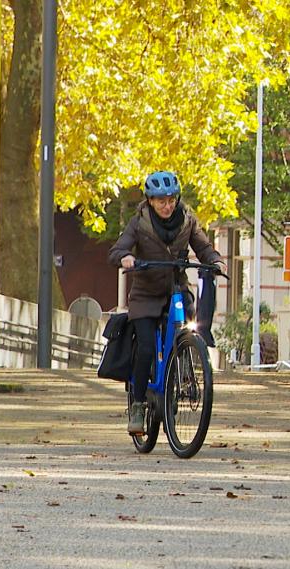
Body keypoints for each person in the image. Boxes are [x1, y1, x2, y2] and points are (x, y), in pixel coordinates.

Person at [108, 171, 225, 434]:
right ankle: (138, 404)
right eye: (161, 200)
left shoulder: (187, 220)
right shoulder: (139, 223)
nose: (167, 205)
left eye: (171, 200)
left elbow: (203, 246)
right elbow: (117, 250)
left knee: (188, 330)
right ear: (150, 201)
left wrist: (215, 260)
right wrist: (125, 257)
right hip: (145, 295)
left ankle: (184, 369)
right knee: (147, 346)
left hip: (176, 289)